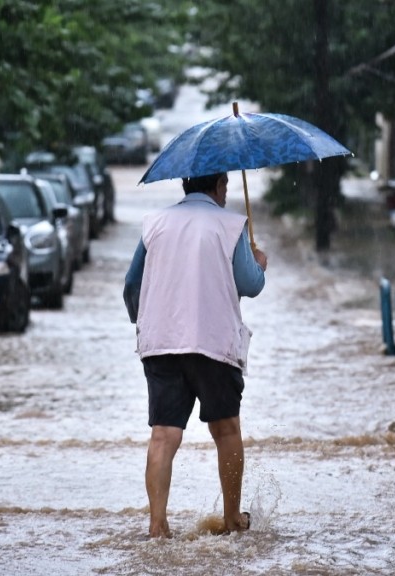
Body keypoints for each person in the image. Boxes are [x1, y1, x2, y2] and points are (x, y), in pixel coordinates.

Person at [123, 172, 267, 538]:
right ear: (219, 186)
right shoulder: (232, 225)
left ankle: (157, 525)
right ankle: (233, 518)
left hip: (162, 343)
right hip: (213, 341)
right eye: (226, 187)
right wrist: (259, 262)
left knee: (163, 435)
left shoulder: (154, 223)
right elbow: (250, 285)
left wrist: (145, 319)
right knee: (226, 428)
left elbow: (131, 286)